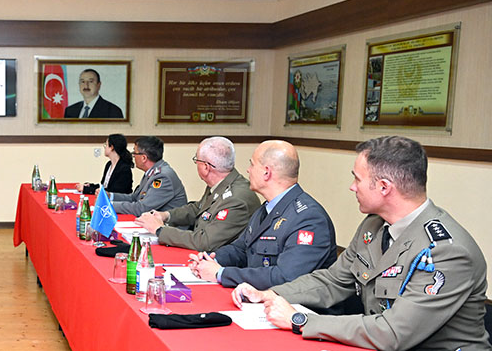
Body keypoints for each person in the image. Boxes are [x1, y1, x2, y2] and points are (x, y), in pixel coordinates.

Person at [234, 136, 490, 350]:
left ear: (384, 187)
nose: (352, 187)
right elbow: (333, 281)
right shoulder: (374, 226)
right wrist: (270, 294)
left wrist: (300, 320)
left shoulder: (446, 251)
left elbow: (393, 333)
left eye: (357, 179)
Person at [189, 140, 337, 290]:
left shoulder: (309, 218)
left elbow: (285, 277)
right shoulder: (267, 208)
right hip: (261, 299)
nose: (248, 170)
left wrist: (221, 273)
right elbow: (240, 250)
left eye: (252, 164)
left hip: (297, 309)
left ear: (266, 172)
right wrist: (210, 259)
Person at [137, 136, 260, 252]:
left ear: (206, 167)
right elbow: (199, 208)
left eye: (197, 160)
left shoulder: (236, 199)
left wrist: (160, 230)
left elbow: (204, 242)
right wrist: (166, 215)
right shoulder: (221, 183)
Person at [101, 136, 186, 216]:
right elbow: (134, 197)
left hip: (167, 227)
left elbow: (142, 208)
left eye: (135, 152)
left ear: (144, 158)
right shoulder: (152, 172)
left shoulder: (163, 177)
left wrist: (109, 205)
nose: (133, 156)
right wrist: (110, 196)